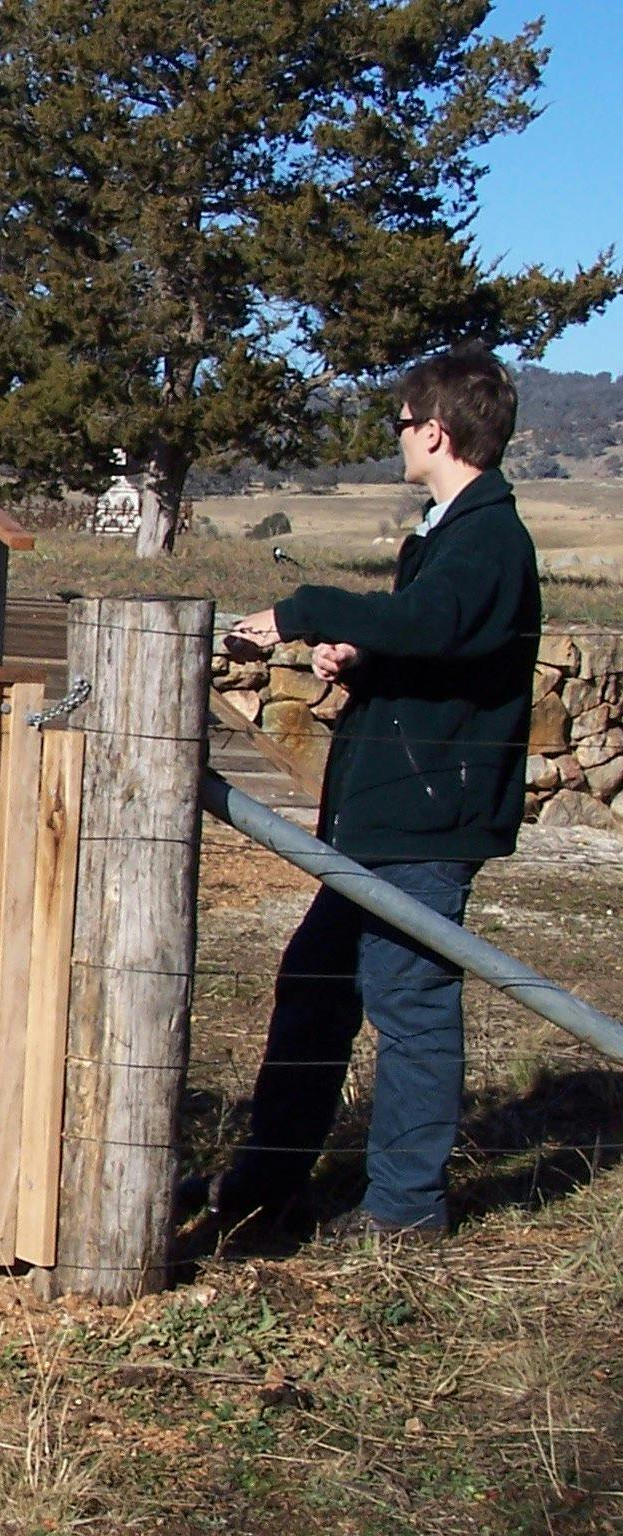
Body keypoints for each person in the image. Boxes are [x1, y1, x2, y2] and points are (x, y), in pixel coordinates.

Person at [202, 344, 541, 1242]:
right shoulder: (444, 534)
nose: (396, 438)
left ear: (435, 431)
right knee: (315, 987)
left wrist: (313, 608)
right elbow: (435, 641)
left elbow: (439, 624)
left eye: (400, 423)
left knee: (410, 1006)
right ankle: (262, 1189)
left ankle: (404, 1211)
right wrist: (362, 652)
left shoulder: (489, 537)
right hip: (383, 816)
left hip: (428, 822)